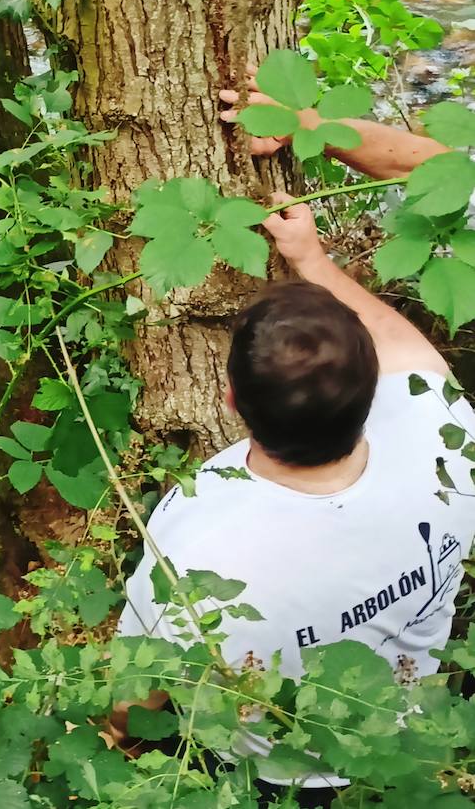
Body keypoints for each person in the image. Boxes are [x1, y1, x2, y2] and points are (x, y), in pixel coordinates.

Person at [115, 88, 475, 804]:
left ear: (231, 403)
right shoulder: (448, 448)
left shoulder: (191, 536)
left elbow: (136, 696)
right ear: (374, 387)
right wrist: (315, 263)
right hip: (400, 735)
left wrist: (124, 732)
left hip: (274, 779)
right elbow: (416, 357)